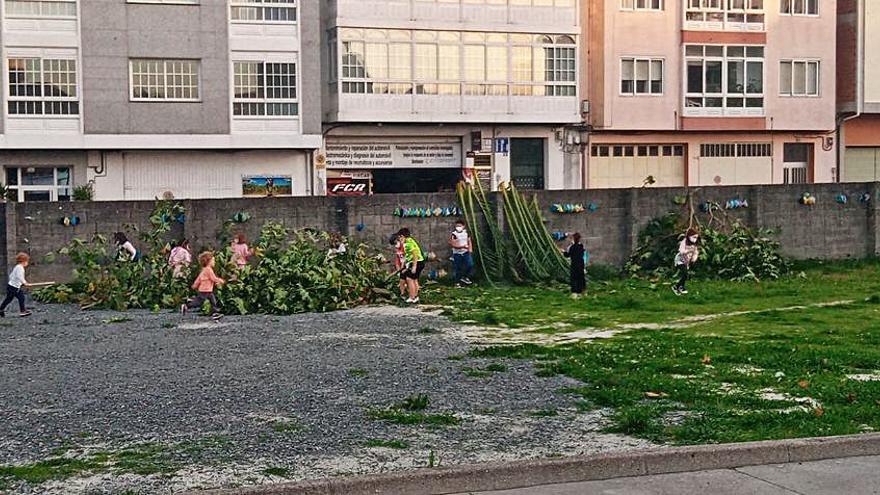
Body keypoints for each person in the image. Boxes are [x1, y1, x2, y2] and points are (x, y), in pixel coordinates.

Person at [181, 252, 225, 319]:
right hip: (205, 290)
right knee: (199, 302)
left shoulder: (204, 270)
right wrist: (221, 281)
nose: (214, 262)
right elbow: (213, 278)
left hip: (207, 290)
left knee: (213, 301)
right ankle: (187, 305)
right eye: (213, 261)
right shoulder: (208, 270)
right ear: (208, 262)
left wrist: (195, 285)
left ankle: (214, 313)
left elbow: (199, 278)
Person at [0, 253, 32, 317]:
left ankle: (1, 309)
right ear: (23, 261)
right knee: (21, 297)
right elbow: (19, 277)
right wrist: (25, 283)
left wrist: (20, 283)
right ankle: (23, 311)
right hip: (14, 287)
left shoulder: (17, 267)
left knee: (8, 299)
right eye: (27, 261)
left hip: (12, 286)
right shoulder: (20, 268)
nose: (27, 263)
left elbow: (11, 276)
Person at [398, 228, 425, 304]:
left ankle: (411, 297)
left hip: (417, 262)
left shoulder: (408, 244)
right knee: (414, 279)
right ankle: (416, 297)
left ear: (402, 236)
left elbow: (415, 254)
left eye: (399, 238)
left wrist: (414, 266)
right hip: (420, 262)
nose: (399, 240)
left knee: (409, 279)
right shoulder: (410, 240)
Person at [673, 228, 700, 295]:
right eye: (694, 237)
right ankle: (676, 287)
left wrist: (694, 259)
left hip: (686, 261)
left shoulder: (694, 245)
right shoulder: (684, 242)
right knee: (685, 274)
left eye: (696, 237)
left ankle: (681, 287)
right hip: (680, 260)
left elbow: (696, 253)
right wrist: (688, 251)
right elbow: (681, 251)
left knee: (685, 275)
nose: (695, 239)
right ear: (689, 236)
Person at [449, 220, 474, 288]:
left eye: (460, 226)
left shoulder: (466, 233)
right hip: (457, 254)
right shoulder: (454, 234)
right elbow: (453, 244)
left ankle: (465, 277)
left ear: (463, 226)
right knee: (458, 268)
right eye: (457, 226)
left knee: (470, 265)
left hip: (466, 252)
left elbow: (469, 241)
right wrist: (462, 247)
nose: (458, 227)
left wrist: (470, 249)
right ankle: (457, 283)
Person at [563, 233, 586, 297]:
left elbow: (567, 255)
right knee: (581, 277)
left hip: (574, 264)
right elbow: (582, 253)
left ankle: (574, 292)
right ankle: (582, 291)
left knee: (574, 278)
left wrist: (563, 252)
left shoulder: (572, 247)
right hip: (581, 264)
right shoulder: (581, 246)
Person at [389, 233, 407, 298]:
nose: (395, 245)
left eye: (395, 242)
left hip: (407, 265)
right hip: (402, 266)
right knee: (401, 281)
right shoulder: (397, 248)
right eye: (394, 244)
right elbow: (398, 258)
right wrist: (398, 267)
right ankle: (402, 294)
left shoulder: (404, 246)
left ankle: (413, 294)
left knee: (409, 280)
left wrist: (402, 267)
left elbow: (404, 258)